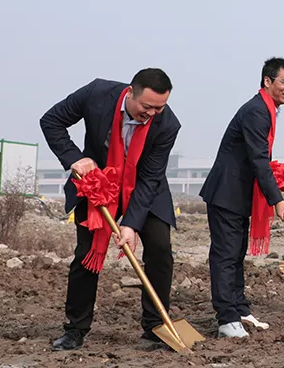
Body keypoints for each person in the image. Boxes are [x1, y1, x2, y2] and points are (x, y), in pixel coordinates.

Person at [40, 69, 180, 351]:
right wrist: (75, 158)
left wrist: (131, 223)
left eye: (159, 108)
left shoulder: (167, 124)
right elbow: (51, 121)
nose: (152, 114)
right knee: (87, 254)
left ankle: (156, 327)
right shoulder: (96, 94)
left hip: (143, 187)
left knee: (160, 249)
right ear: (130, 92)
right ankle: (75, 329)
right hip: (98, 183)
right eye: (147, 106)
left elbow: (151, 177)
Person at [200, 58, 284, 338]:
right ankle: (226, 318)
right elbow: (258, 159)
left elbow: (259, 160)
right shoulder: (256, 111)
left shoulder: (265, 110)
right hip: (226, 193)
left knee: (236, 253)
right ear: (267, 81)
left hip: (238, 194)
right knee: (225, 255)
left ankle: (239, 308)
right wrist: (276, 199)